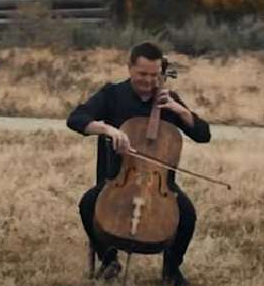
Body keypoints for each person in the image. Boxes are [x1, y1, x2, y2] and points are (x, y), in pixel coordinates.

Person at [66, 42, 212, 286]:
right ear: (130, 68)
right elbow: (76, 119)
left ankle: (171, 269)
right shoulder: (112, 94)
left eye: (155, 75)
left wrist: (179, 110)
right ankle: (109, 260)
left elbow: (203, 134)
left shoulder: (167, 100)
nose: (149, 81)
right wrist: (108, 129)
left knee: (187, 215)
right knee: (88, 204)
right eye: (143, 74)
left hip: (161, 184)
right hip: (117, 178)